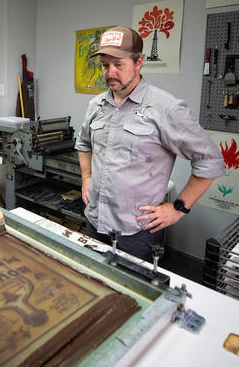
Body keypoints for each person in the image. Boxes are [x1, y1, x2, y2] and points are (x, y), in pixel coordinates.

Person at [75, 26, 224, 263]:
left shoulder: (165, 108)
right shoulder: (96, 106)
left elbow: (210, 160)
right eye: (105, 65)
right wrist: (86, 178)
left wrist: (178, 208)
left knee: (134, 294)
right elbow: (83, 144)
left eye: (118, 65)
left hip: (137, 232)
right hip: (95, 220)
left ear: (138, 62)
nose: (110, 73)